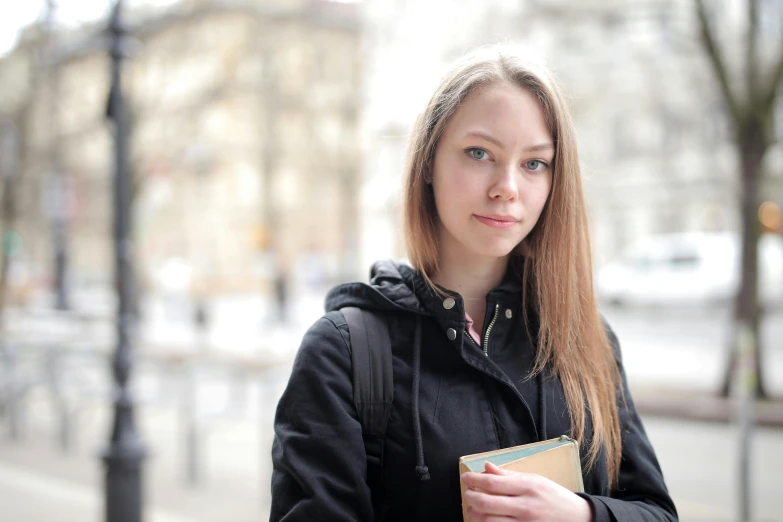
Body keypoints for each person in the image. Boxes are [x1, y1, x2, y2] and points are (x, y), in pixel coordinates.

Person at [270, 47, 678, 522]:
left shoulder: (587, 340)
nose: (507, 186)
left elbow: (656, 512)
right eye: (479, 153)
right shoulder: (344, 354)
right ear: (427, 163)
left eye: (534, 163)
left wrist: (581, 515)